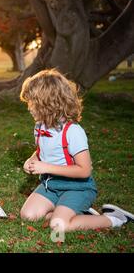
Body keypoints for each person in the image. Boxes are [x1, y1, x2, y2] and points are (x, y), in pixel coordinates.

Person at [19, 69, 133, 231]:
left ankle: (114, 218)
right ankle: (78, 214)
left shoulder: (73, 132)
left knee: (58, 225)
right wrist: (32, 160)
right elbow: (41, 150)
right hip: (50, 186)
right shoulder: (40, 126)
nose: (29, 108)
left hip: (77, 188)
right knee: (29, 215)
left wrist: (46, 167)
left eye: (32, 103)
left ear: (48, 104)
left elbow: (84, 170)